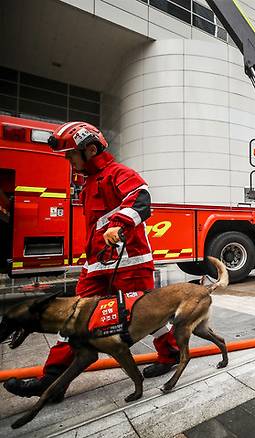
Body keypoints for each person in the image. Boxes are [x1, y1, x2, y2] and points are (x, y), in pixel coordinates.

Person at [4, 122, 179, 400]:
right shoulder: (88, 184)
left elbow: (141, 199)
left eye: (71, 154)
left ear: (91, 149)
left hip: (130, 263)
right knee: (73, 320)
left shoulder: (118, 174)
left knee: (145, 314)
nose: (68, 160)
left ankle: (171, 354)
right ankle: (52, 380)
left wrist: (119, 224)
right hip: (96, 267)